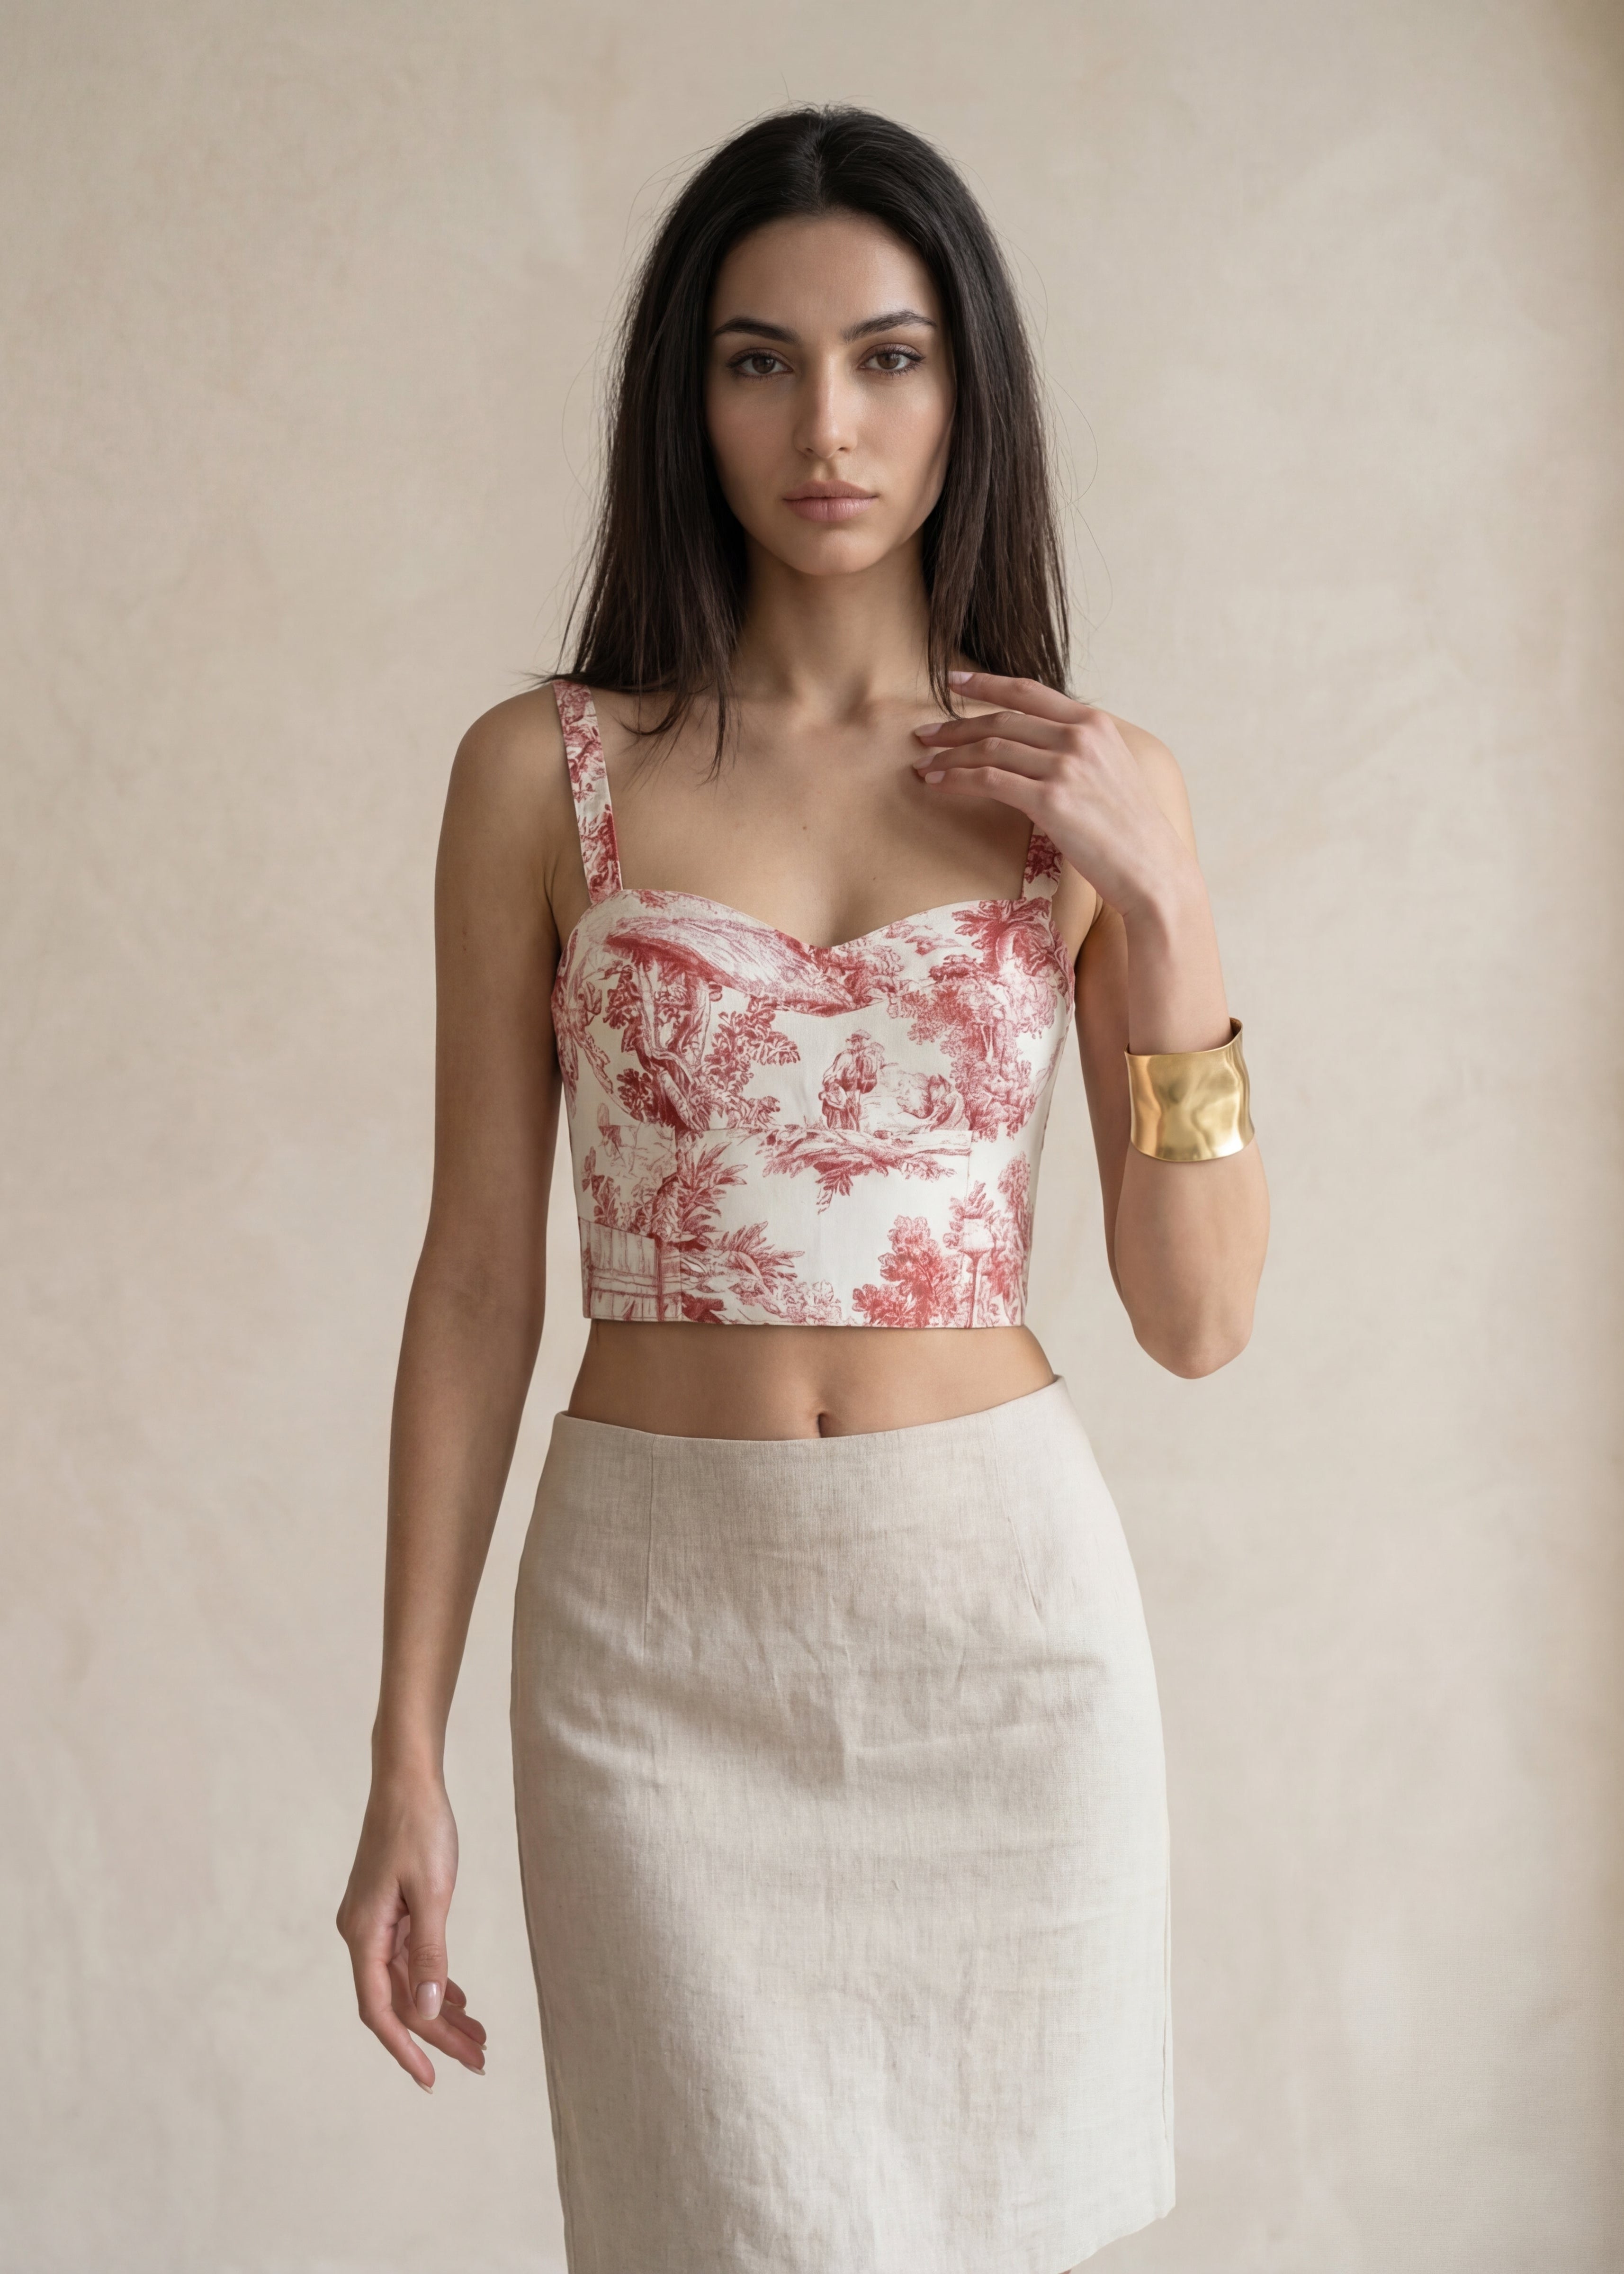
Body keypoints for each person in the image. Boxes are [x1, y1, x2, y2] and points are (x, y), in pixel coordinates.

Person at [337, 103, 1268, 2274]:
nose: (825, 424)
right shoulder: (543, 774)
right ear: (691, 396)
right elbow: (482, 1277)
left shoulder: (1093, 798)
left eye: (888, 356)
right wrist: (404, 1746)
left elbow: (1201, 1317)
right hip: (654, 1650)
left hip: (1002, 1645)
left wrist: (1177, 917)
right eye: (759, 361)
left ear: (970, 394)